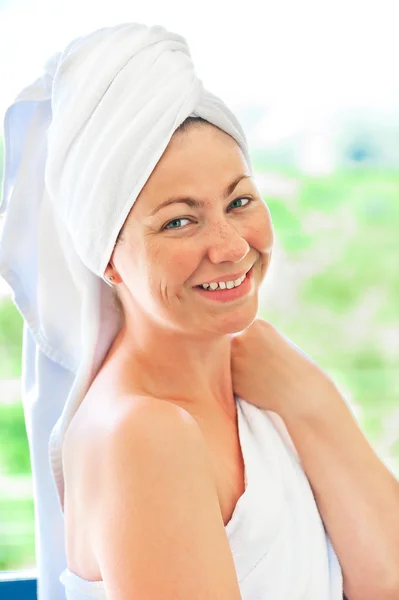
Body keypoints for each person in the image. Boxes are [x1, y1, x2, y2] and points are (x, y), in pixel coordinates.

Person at [0, 22, 345, 600]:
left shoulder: (262, 387)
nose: (232, 247)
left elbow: (385, 575)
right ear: (107, 259)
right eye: (179, 221)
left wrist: (313, 399)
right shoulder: (144, 437)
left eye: (239, 201)